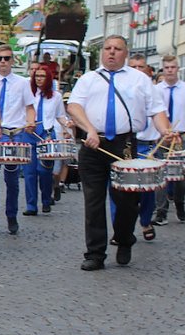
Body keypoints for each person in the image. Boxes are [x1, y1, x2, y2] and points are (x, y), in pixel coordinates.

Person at [67, 35, 172, 271]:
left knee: (126, 200)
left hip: (123, 145)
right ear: (102, 52)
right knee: (93, 202)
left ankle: (124, 239)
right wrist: (90, 129)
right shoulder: (88, 79)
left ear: (125, 53)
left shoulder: (140, 80)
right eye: (107, 48)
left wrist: (166, 129)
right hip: (93, 144)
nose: (111, 53)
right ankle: (95, 254)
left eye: (117, 49)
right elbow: (74, 106)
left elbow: (156, 110)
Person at [0, 44, 34, 236]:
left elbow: (29, 107)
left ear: (13, 60)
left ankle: (11, 216)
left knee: (12, 180)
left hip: (15, 134)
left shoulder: (22, 83)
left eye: (7, 58)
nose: (3, 62)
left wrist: (30, 122)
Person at [152, 55, 185, 225]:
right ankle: (161, 211)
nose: (169, 70)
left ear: (177, 69)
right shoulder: (156, 90)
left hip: (181, 137)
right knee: (160, 174)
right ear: (163, 69)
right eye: (167, 67)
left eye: (173, 67)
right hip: (161, 136)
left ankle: (180, 202)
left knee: (180, 176)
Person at [23, 67, 71, 216]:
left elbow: (60, 116)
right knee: (29, 172)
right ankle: (31, 205)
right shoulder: (28, 94)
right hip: (30, 134)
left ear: (48, 78)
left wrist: (68, 126)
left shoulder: (56, 96)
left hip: (47, 135)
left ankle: (45, 200)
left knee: (44, 171)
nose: (39, 79)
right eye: (37, 76)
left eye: (42, 76)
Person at [125, 54, 159, 241]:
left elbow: (162, 117)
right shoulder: (121, 90)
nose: (138, 71)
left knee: (147, 188)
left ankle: (145, 221)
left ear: (148, 70)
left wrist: (168, 132)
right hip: (126, 144)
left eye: (141, 67)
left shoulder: (156, 92)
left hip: (147, 146)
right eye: (134, 67)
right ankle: (122, 230)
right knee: (121, 190)